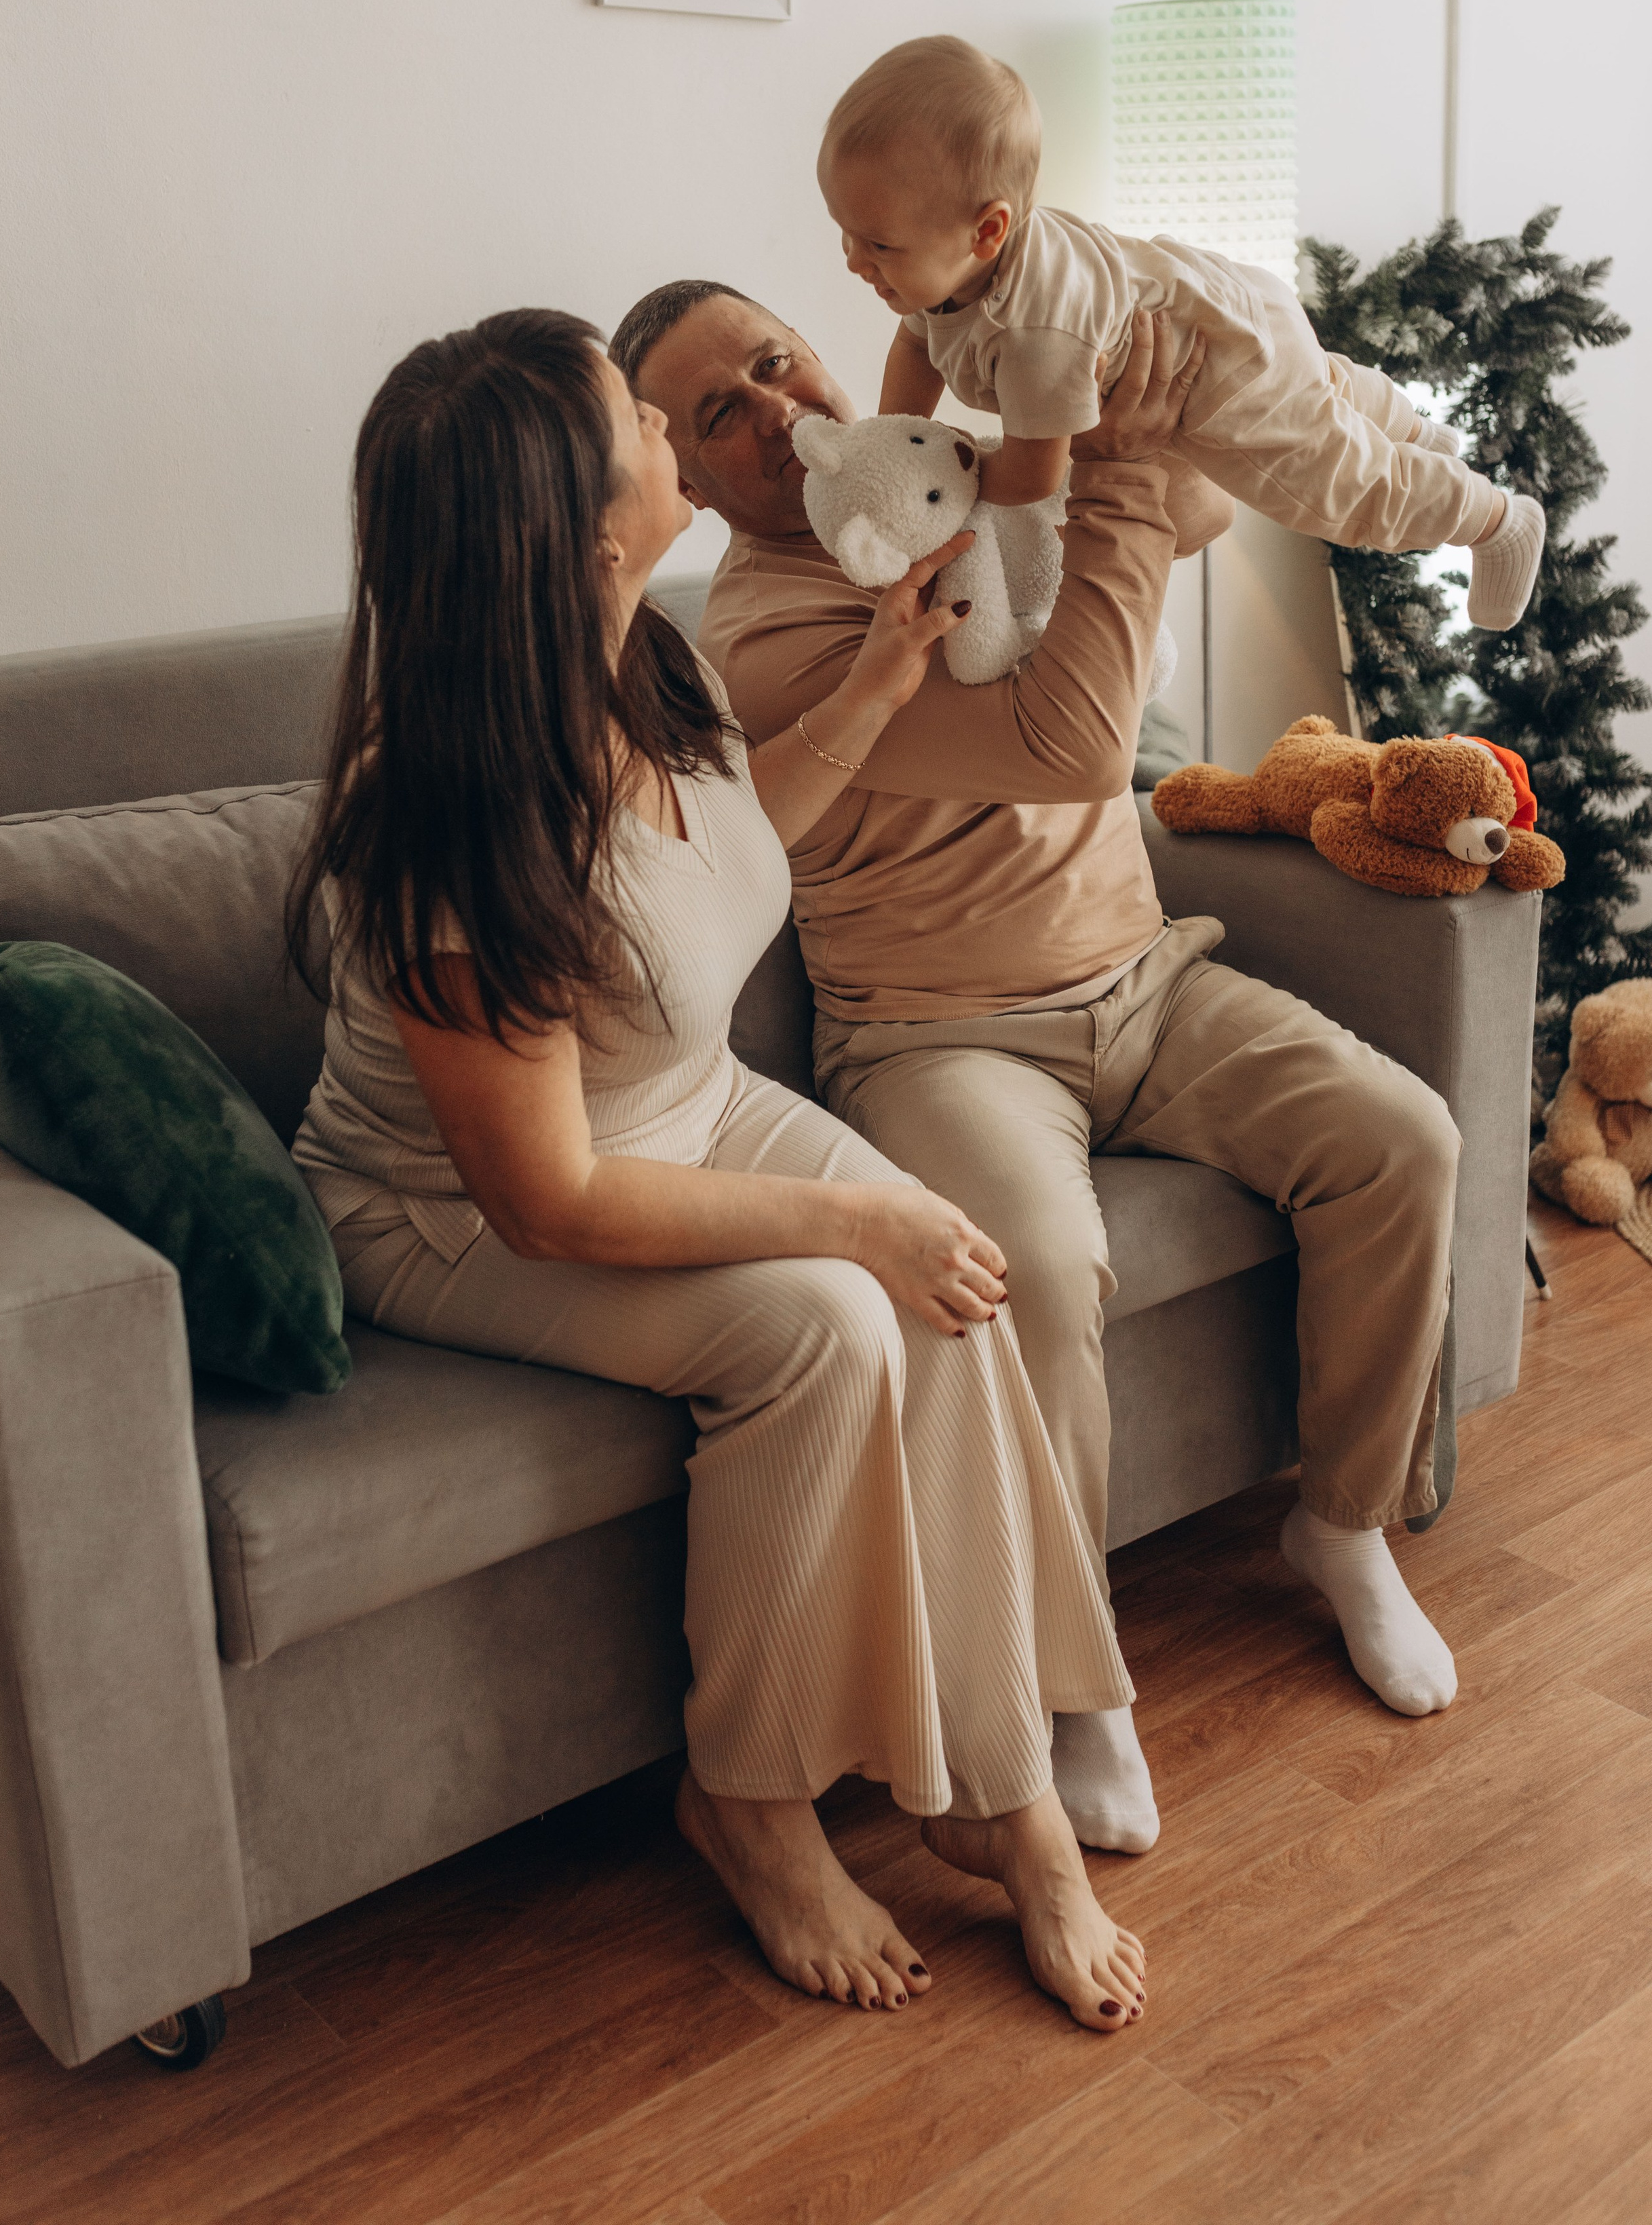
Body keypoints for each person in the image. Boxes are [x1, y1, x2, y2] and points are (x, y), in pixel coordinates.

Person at [286, 307, 1150, 2032]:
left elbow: (740, 841)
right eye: (630, 408)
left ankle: (1010, 1801)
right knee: (833, 1316)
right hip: (452, 1208)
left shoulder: (645, 661)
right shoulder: (449, 822)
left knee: (953, 1270)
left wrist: (882, 676)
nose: (661, 413)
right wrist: (852, 1211)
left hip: (677, 1102)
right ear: (590, 528)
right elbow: (549, 1198)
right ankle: (745, 1800)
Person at [611, 277, 1465, 1857]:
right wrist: (1082, 452)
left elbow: (1197, 500)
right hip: (940, 1037)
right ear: (679, 474)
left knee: (1399, 1136)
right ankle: (1077, 1688)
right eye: (714, 412)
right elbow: (1062, 738)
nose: (775, 411)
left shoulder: (949, 464)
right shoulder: (759, 637)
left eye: (772, 360)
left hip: (1144, 978)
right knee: (1040, 1271)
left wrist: (1153, 411)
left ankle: (1338, 1524)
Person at [818, 35, 1545, 632]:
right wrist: (896, 436)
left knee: (1346, 493)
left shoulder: (1035, 331)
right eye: (845, 234)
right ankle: (1414, 432)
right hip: (1227, 303)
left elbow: (1033, 476)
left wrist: (942, 479)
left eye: (877, 245)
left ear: (987, 231)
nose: (853, 261)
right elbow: (919, 344)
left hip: (1222, 382)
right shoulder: (946, 271)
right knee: (1319, 387)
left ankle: (1493, 520)